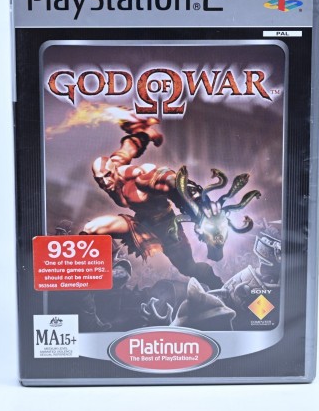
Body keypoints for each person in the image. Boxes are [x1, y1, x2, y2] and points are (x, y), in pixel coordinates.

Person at [82, 114, 222, 289]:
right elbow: (128, 148)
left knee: (188, 268)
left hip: (167, 227)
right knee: (91, 229)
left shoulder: (139, 180)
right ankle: (94, 276)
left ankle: (217, 285)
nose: (105, 183)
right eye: (99, 180)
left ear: (114, 172)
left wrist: (199, 205)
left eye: (107, 176)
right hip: (140, 223)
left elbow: (171, 182)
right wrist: (146, 134)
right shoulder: (114, 165)